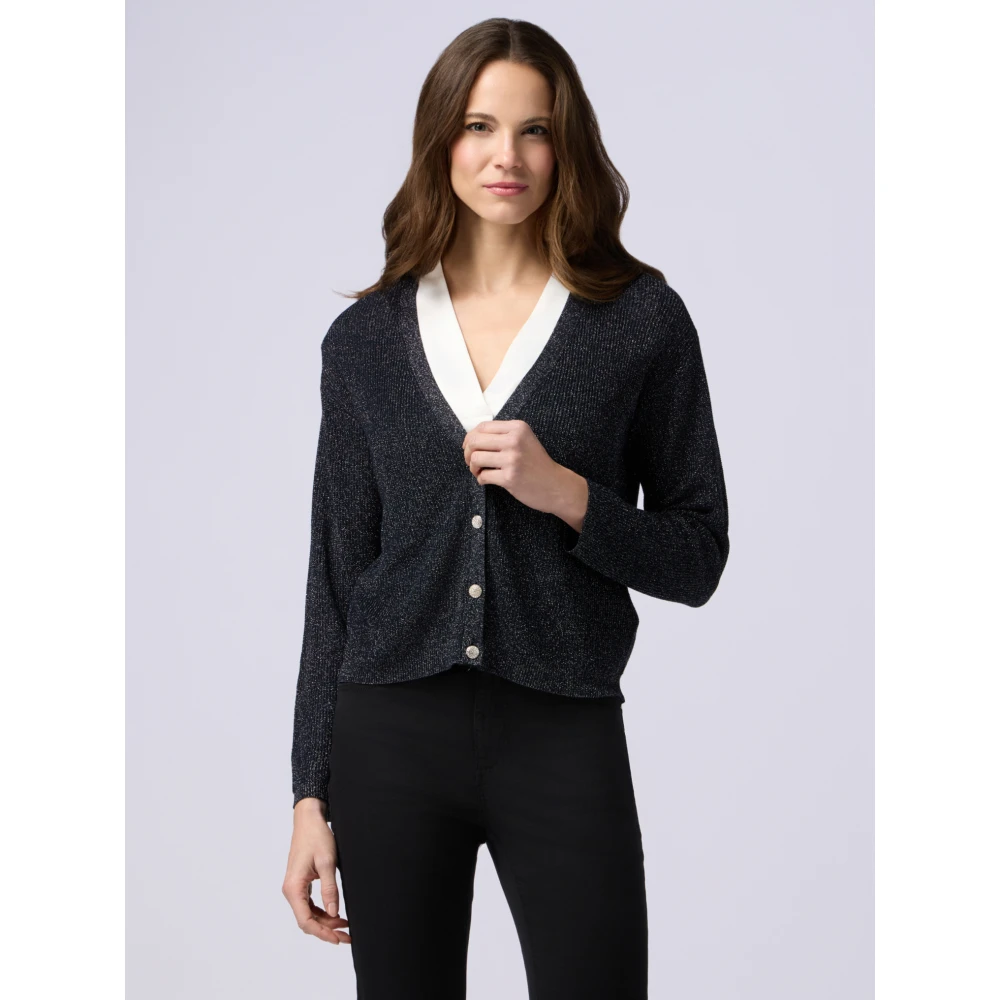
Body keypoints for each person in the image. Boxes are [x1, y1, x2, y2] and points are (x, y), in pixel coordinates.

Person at [282, 17, 730, 1000]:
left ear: (566, 148)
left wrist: (568, 495)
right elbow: (336, 575)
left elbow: (698, 556)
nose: (507, 157)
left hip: (561, 730)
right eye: (480, 127)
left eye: (535, 131)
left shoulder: (639, 321)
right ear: (441, 139)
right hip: (388, 737)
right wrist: (310, 792)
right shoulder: (364, 342)